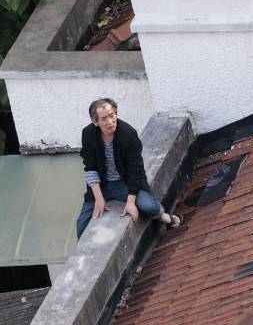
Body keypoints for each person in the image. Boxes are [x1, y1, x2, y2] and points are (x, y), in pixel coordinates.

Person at [76, 98, 183, 238]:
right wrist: (99, 199)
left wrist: (130, 202)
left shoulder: (128, 134)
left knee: (148, 206)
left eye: (112, 115)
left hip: (125, 183)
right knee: (81, 225)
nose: (110, 122)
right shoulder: (88, 134)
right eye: (104, 119)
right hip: (101, 186)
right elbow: (90, 167)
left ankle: (168, 218)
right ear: (95, 122)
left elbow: (135, 170)